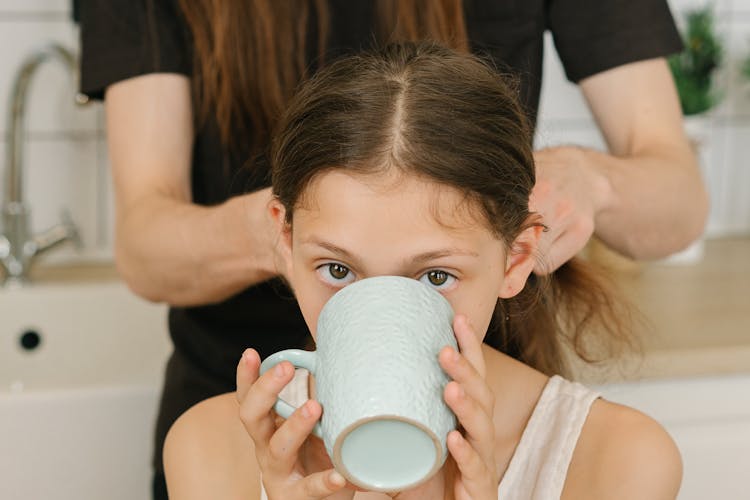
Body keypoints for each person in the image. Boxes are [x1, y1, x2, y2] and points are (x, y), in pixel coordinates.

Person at [78, 1, 704, 497]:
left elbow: (677, 195)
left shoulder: (617, 461)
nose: (379, 306)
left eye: (433, 276)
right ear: (285, 244)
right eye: (338, 269)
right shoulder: (212, 450)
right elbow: (144, 239)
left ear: (515, 260)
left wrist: (590, 179)